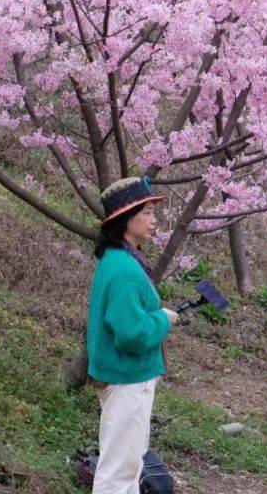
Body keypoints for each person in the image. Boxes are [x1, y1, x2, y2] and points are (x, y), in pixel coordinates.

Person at [86, 177, 176, 494]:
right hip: (127, 377)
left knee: (128, 465)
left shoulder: (118, 260)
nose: (154, 221)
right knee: (119, 471)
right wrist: (163, 319)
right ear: (126, 219)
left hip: (123, 376)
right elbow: (131, 334)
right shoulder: (124, 268)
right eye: (148, 213)